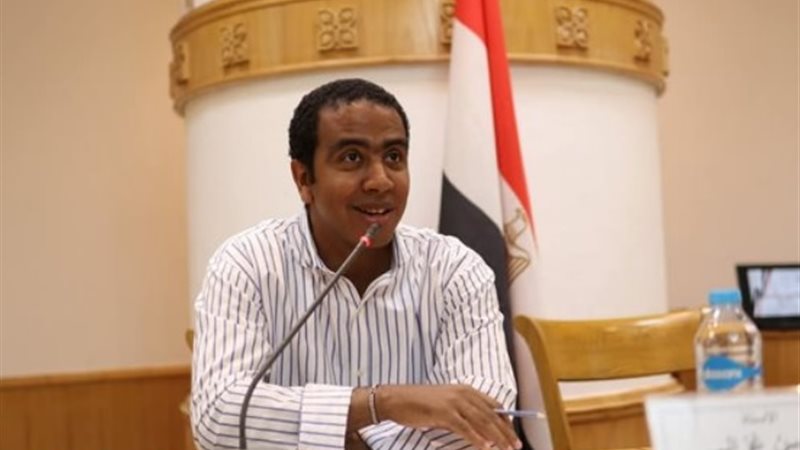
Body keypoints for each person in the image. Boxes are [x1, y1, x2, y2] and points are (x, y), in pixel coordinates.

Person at [191, 78, 521, 450]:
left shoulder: (455, 269)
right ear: (304, 179)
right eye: (352, 158)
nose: (380, 181)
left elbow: (485, 416)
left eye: (393, 157)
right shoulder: (247, 265)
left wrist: (343, 440)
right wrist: (385, 403)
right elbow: (219, 416)